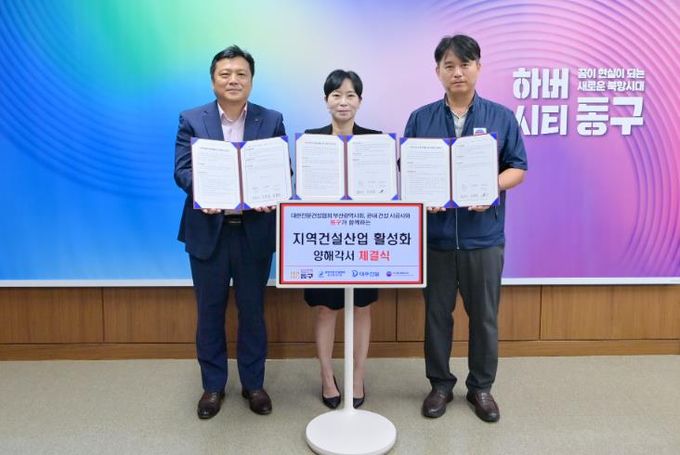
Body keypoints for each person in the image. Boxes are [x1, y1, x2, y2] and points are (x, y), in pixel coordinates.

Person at [403, 35, 527, 422]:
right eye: (449, 66)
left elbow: (518, 168)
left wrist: (491, 186)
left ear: (478, 67)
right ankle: (440, 385)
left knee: (485, 317)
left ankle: (481, 388)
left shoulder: (501, 117)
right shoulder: (420, 118)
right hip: (436, 238)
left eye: (465, 64)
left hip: (483, 237)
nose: (457, 72)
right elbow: (407, 169)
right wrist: (421, 195)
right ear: (438, 71)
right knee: (437, 316)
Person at [174, 45, 286, 419]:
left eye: (241, 74)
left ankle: (254, 384)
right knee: (209, 311)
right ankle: (213, 386)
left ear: (251, 80)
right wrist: (203, 192)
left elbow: (280, 170)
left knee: (252, 311)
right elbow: (182, 170)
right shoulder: (192, 119)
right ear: (213, 81)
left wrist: (272, 194)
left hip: (254, 231)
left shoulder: (271, 120)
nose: (233, 80)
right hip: (209, 231)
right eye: (225, 74)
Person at [304, 69, 380, 409]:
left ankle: (357, 376)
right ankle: (326, 376)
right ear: (326, 101)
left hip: (363, 238)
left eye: (350, 95)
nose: (343, 102)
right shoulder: (311, 140)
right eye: (336, 95)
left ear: (360, 101)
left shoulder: (375, 141)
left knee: (362, 307)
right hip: (324, 238)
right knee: (325, 309)